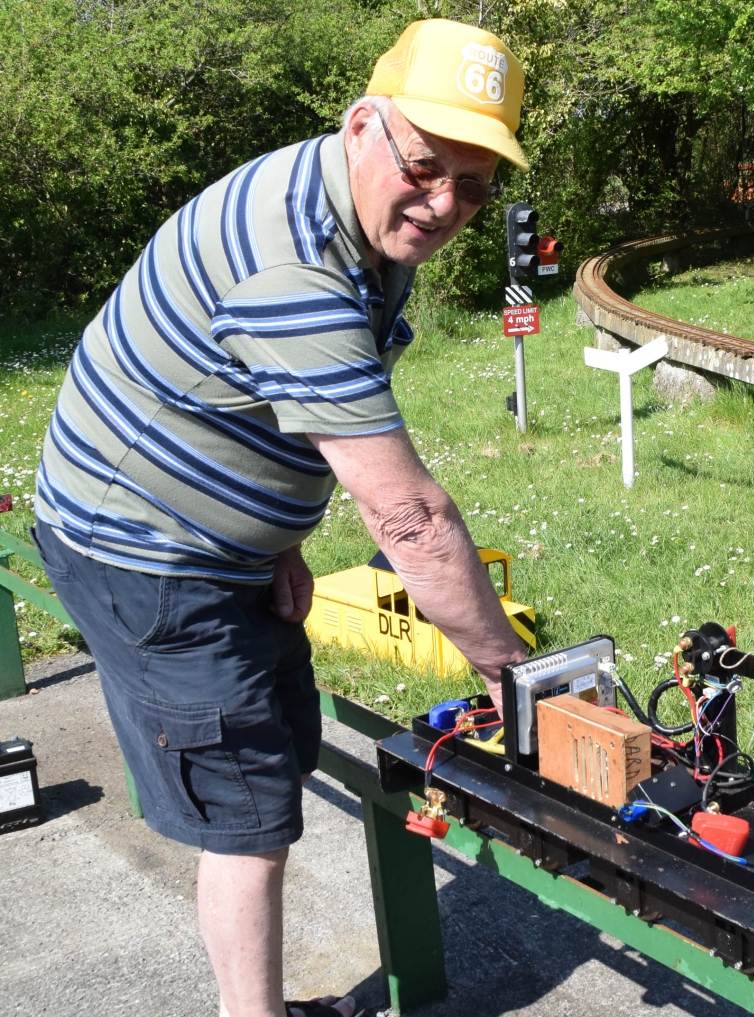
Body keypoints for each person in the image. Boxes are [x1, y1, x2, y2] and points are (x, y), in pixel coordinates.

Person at [33, 18, 530, 1017]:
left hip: (205, 540)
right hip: (144, 550)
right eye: (428, 167)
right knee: (249, 813)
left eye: (474, 186)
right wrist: (517, 681)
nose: (444, 205)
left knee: (270, 754)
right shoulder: (293, 269)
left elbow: (270, 398)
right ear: (363, 126)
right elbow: (412, 522)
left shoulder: (349, 200)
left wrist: (281, 535)